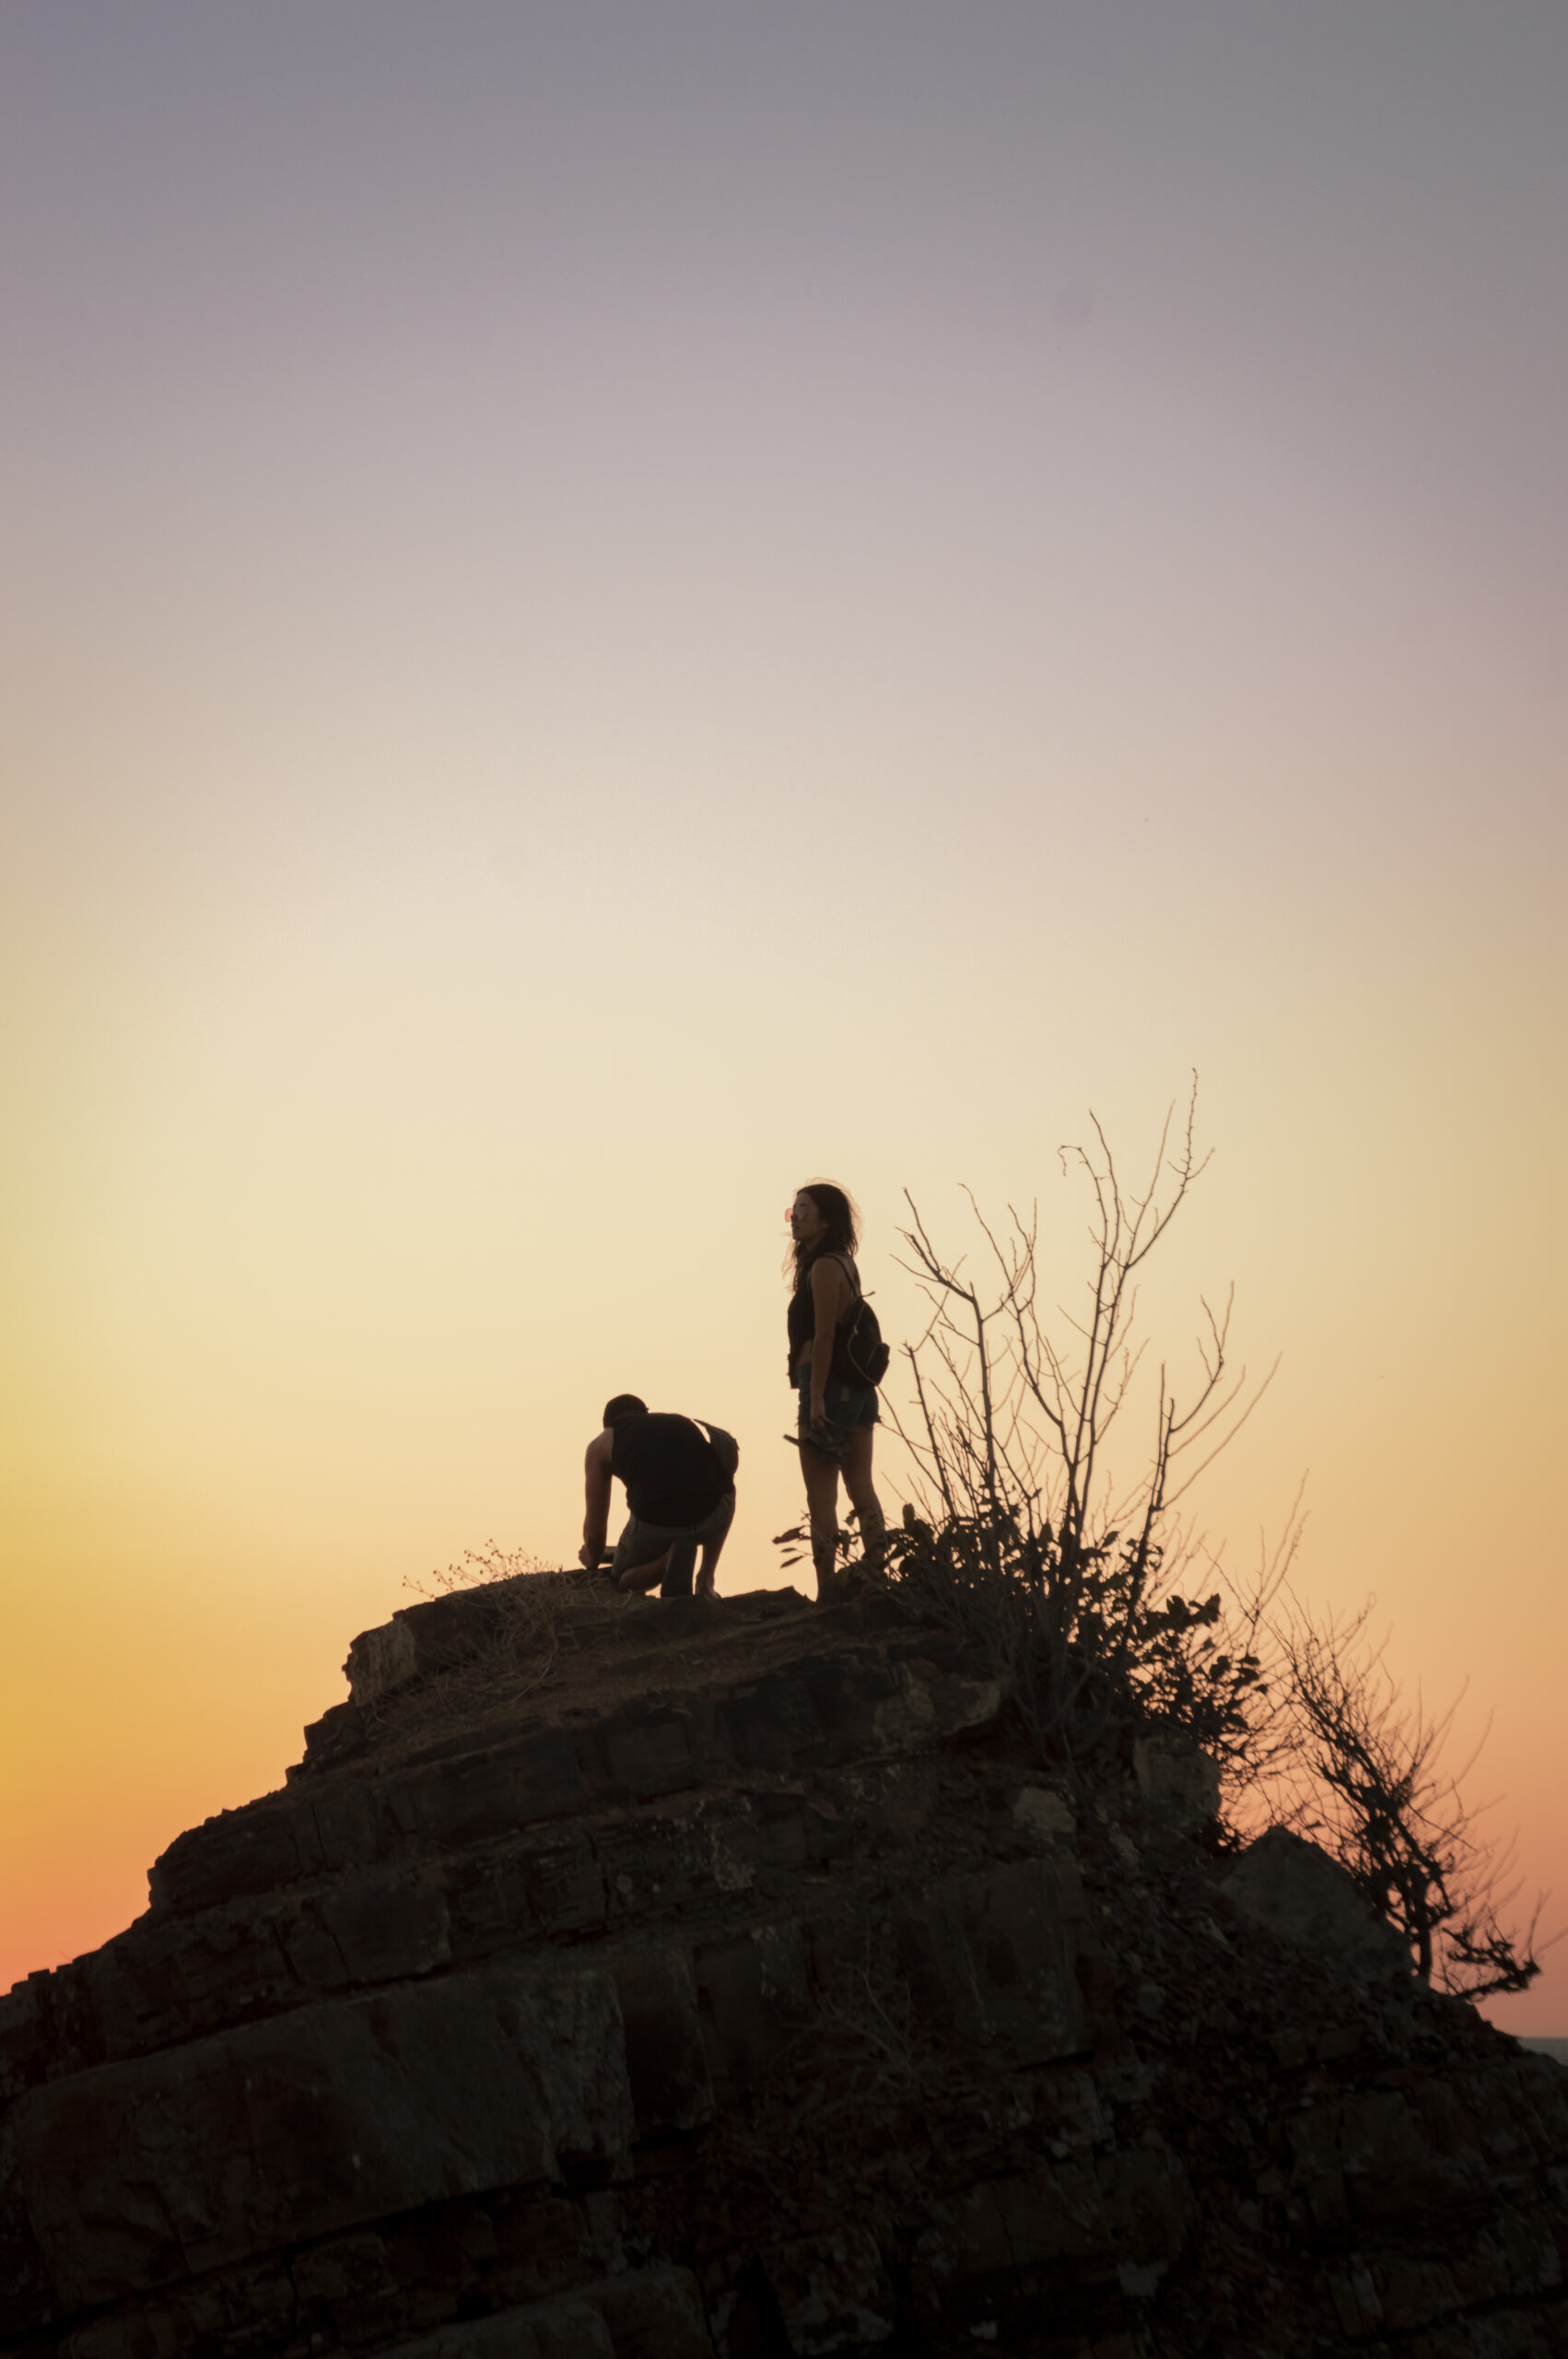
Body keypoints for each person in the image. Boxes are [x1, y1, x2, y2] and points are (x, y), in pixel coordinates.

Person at [786, 1181, 885, 1599]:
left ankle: (827, 1588)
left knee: (821, 1496)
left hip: (826, 1384)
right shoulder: (842, 1263)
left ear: (827, 1219)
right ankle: (876, 1576)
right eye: (792, 1210)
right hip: (857, 1389)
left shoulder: (825, 1267)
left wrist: (818, 1399)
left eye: (804, 1209)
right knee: (861, 1486)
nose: (796, 1216)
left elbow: (825, 1336)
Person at [579, 1394, 737, 1597]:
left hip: (655, 1523)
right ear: (645, 1413)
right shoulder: (678, 1421)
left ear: (607, 1424)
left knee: (620, 1581)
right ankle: (705, 1580)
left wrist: (592, 1558)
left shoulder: (601, 1443)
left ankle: (668, 1558)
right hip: (712, 1515)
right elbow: (724, 1467)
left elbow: (594, 1534)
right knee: (725, 1484)